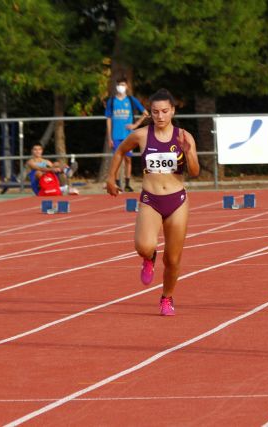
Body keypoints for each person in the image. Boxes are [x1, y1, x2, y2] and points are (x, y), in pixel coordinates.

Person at [106, 89, 200, 316]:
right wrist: (110, 177)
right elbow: (120, 151)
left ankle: (167, 298)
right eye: (155, 112)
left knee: (173, 260)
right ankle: (149, 257)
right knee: (143, 245)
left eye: (165, 111)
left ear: (173, 111)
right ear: (150, 113)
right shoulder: (140, 136)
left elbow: (195, 172)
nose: (160, 116)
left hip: (177, 200)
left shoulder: (184, 137)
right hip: (151, 198)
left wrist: (188, 154)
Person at [105, 76, 149, 192]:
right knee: (117, 159)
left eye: (123, 85)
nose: (121, 87)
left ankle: (127, 183)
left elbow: (145, 113)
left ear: (127, 86)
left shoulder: (131, 100)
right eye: (119, 85)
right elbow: (108, 119)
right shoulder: (112, 101)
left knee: (128, 159)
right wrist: (109, 137)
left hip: (128, 135)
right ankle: (117, 183)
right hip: (116, 135)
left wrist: (135, 125)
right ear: (116, 86)